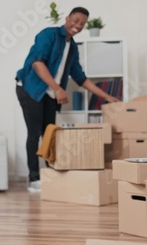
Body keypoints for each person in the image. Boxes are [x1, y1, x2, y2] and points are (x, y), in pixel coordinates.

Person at [15, 7, 119, 193]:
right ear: (67, 18)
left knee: (50, 133)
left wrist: (108, 97)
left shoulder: (72, 48)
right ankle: (33, 178)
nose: (78, 25)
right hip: (30, 89)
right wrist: (58, 89)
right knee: (35, 133)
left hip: (49, 93)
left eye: (82, 23)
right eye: (76, 20)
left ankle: (49, 174)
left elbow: (81, 78)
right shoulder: (48, 35)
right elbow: (37, 64)